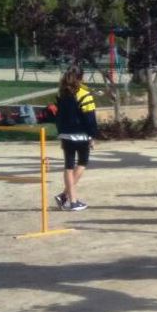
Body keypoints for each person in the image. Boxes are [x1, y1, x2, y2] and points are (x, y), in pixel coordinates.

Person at [53, 65, 99, 212]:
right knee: (82, 163)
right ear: (81, 78)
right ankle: (72, 201)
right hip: (81, 135)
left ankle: (65, 197)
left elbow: (59, 116)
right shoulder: (85, 95)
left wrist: (60, 133)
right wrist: (92, 135)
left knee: (68, 166)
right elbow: (90, 118)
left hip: (65, 134)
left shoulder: (62, 94)